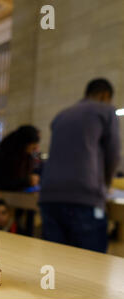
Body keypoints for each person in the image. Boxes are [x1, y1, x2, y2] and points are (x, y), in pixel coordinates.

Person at [39, 79, 121, 253]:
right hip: (84, 198)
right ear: (106, 96)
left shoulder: (61, 115)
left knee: (55, 264)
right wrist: (105, 187)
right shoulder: (106, 110)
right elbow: (114, 154)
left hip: (49, 197)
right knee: (90, 266)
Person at [0, 125, 41, 236]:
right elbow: (5, 181)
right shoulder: (7, 155)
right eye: (33, 145)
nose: (36, 148)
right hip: (0, 197)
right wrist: (27, 181)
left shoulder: (22, 154)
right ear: (26, 143)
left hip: (14, 198)